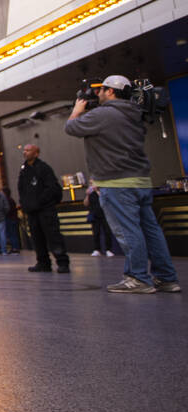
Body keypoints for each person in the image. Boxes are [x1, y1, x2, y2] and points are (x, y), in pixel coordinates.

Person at [65, 75, 179, 294]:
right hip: (141, 180)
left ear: (111, 92)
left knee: (128, 231)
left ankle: (138, 278)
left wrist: (77, 109)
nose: (97, 94)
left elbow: (71, 128)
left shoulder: (104, 114)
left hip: (116, 181)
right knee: (151, 230)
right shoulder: (135, 113)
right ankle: (166, 278)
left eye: (101, 90)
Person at [17, 144, 70, 274]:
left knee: (53, 236)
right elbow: (22, 189)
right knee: (37, 238)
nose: (25, 152)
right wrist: (25, 204)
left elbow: (51, 188)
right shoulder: (24, 170)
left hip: (45, 210)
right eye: (24, 150)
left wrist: (40, 201)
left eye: (28, 150)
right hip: (32, 211)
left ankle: (62, 262)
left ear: (36, 153)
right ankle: (43, 262)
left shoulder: (43, 168)